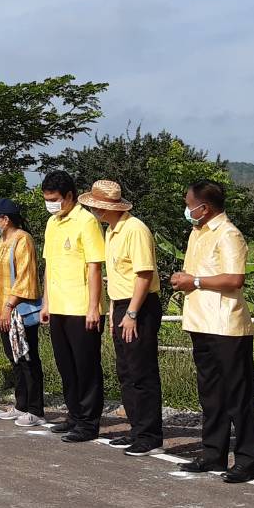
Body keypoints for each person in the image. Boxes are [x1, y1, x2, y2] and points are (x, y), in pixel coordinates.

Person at [170, 180, 254, 482]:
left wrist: (193, 281)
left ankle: (247, 459)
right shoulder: (197, 232)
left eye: (189, 204)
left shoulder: (228, 234)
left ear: (204, 208)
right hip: (200, 321)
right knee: (211, 393)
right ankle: (213, 452)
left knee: (239, 395)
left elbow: (235, 279)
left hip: (226, 324)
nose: (187, 210)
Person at [84, 180, 163, 456]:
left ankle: (150, 434)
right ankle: (136, 427)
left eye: (97, 206)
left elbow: (144, 274)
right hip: (121, 303)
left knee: (142, 371)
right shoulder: (111, 231)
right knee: (126, 371)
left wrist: (132, 312)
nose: (94, 210)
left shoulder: (135, 229)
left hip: (138, 304)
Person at [39, 171, 107, 443]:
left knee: (86, 366)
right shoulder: (52, 223)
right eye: (47, 200)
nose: (51, 204)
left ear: (70, 196)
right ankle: (74, 414)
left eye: (55, 199)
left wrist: (93, 307)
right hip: (58, 305)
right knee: (65, 364)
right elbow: (49, 265)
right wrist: (46, 302)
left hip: (81, 307)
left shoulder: (87, 221)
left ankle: (89, 422)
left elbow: (94, 266)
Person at [0, 199, 45, 428]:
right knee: (14, 358)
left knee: (27, 357)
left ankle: (36, 408)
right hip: (3, 310)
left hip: (18, 310)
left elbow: (25, 278)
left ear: (6, 219)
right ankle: (21, 404)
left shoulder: (22, 239)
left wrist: (8, 306)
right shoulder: (3, 240)